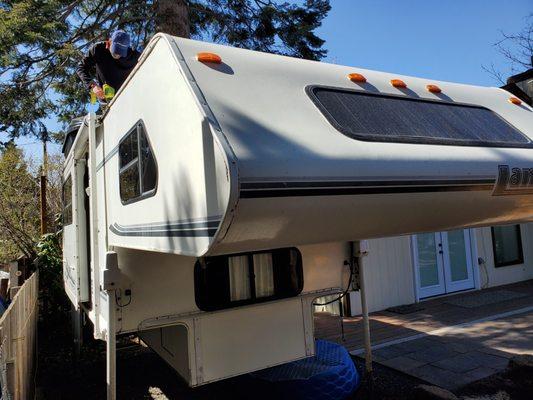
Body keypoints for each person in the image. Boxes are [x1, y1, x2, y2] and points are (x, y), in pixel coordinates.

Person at [76, 30, 140, 102]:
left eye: (121, 52)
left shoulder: (135, 56)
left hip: (129, 95)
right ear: (109, 42)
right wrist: (92, 85)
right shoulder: (98, 49)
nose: (117, 55)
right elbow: (81, 67)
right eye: (115, 50)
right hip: (108, 100)